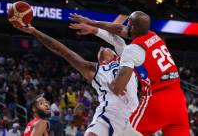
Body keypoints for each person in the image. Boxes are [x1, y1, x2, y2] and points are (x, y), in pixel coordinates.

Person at [69, 11, 190, 135]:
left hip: (158, 99)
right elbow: (118, 31)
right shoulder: (154, 36)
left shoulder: (131, 51)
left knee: (125, 133)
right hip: (179, 101)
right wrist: (93, 25)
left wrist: (112, 85)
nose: (125, 26)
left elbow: (117, 88)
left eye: (128, 24)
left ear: (132, 28)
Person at [13, 23, 141, 136]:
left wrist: (93, 28)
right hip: (109, 115)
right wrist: (35, 31)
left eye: (108, 48)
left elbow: (116, 39)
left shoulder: (125, 59)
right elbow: (64, 51)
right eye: (99, 51)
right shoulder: (93, 70)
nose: (103, 47)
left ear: (115, 54)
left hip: (135, 116)